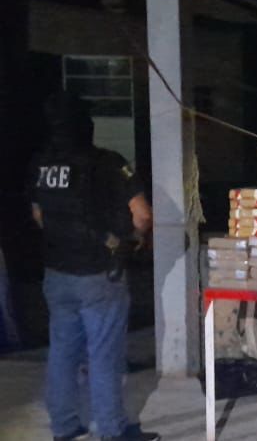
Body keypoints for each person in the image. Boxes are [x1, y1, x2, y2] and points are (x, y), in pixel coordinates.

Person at [29, 92, 158, 441]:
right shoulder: (108, 163)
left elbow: (39, 216)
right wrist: (131, 238)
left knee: (62, 352)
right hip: (99, 274)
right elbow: (142, 215)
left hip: (57, 273)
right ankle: (112, 430)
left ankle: (64, 426)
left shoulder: (42, 164)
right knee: (104, 355)